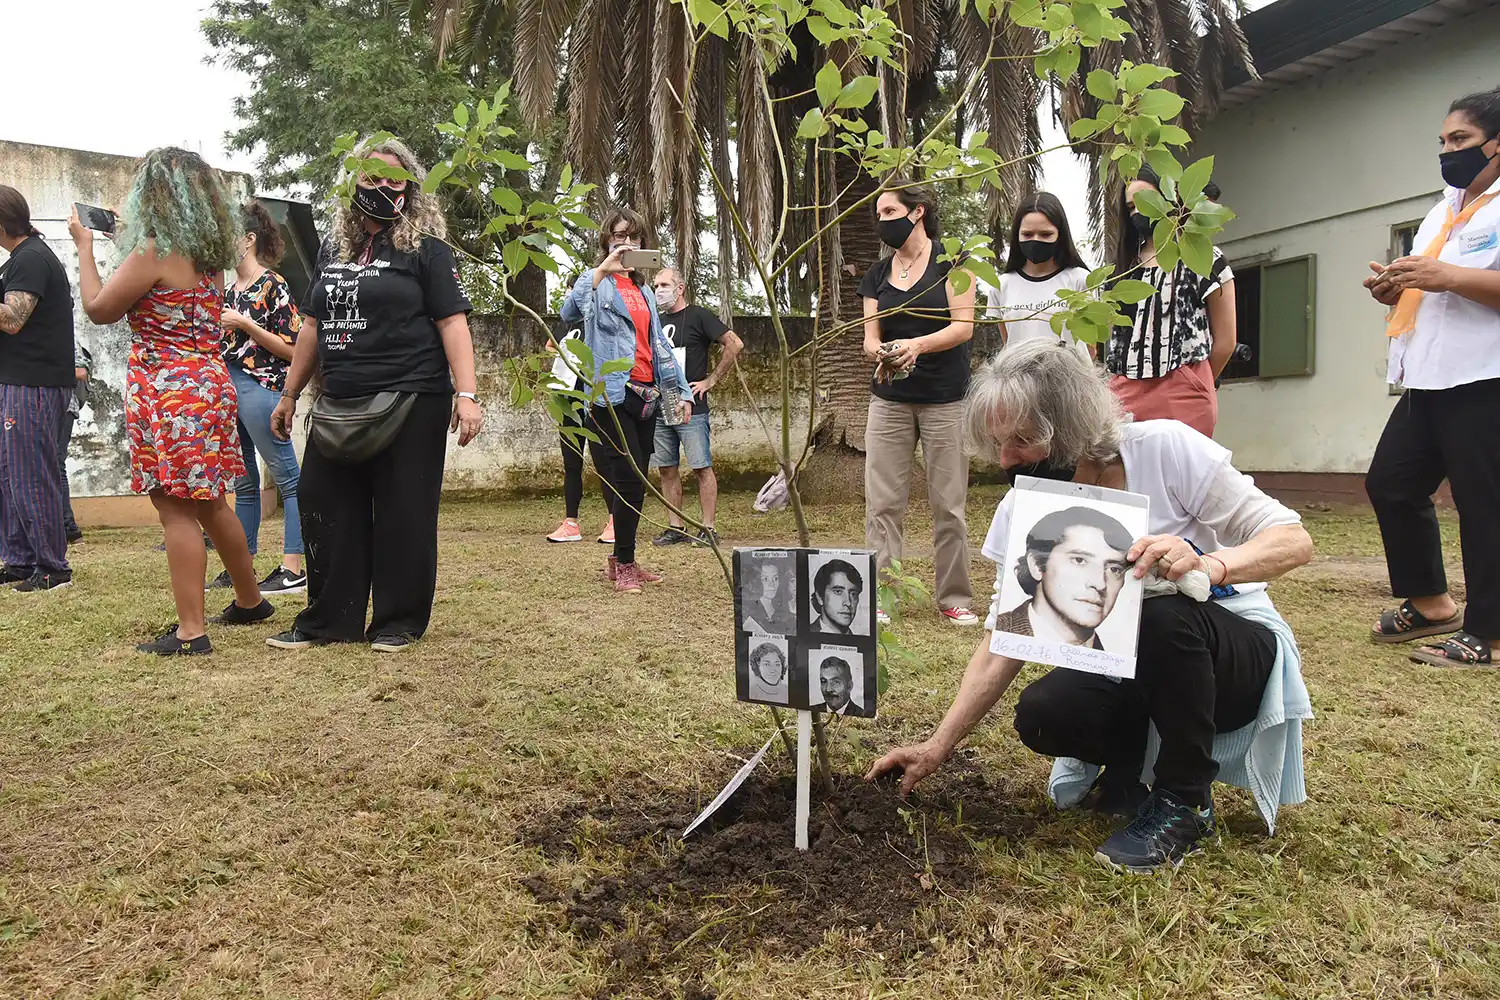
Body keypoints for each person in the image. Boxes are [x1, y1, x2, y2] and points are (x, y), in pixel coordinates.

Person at [867, 340, 1315, 872]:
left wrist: (1208, 564)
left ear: (1073, 428)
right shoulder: (1023, 507)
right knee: (1045, 712)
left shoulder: (1167, 450)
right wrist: (936, 746)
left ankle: (1184, 801)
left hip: (1231, 660)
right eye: (998, 443)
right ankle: (1131, 772)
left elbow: (1293, 539)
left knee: (1162, 612)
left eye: (1022, 440)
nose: (1007, 459)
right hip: (1137, 666)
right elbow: (1005, 634)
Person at [264, 136, 483, 652]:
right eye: (371, 178)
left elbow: (452, 321)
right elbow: (312, 324)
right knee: (325, 505)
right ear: (352, 183)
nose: (384, 188)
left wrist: (467, 393)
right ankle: (328, 621)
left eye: (394, 180)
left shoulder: (428, 249)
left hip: (413, 397)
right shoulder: (331, 249)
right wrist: (290, 394)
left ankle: (397, 621)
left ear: (410, 187)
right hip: (339, 400)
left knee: (404, 511)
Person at [70, 149, 272, 651]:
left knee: (175, 507)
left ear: (152, 195)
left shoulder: (155, 251)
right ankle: (250, 599)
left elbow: (99, 309)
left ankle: (191, 632)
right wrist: (126, 242)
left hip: (169, 390)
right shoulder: (209, 259)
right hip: (208, 381)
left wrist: (86, 248)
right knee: (208, 501)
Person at [1364, 86, 1500, 668]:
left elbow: (1452, 280)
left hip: (1486, 375)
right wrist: (1392, 287)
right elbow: (1429, 283)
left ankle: (1491, 633)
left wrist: (1447, 275)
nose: (1447, 151)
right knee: (1391, 483)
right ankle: (1432, 602)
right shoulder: (1439, 211)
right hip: (1427, 375)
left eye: (1461, 140)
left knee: (1484, 503)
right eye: (1443, 141)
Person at [860, 182, 979, 627]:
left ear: (918, 212)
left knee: (948, 505)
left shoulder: (956, 262)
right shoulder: (876, 275)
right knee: (882, 502)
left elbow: (963, 326)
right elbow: (869, 339)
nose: (882, 219)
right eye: (879, 212)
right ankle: (881, 598)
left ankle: (954, 597)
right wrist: (884, 352)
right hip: (889, 401)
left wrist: (918, 345)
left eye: (889, 210)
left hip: (945, 401)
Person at [560, 208, 693, 594]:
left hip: (646, 395)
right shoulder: (597, 285)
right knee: (629, 478)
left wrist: (679, 391)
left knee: (637, 477)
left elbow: (660, 348)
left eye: (633, 238)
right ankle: (624, 561)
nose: (627, 244)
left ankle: (623, 560)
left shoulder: (645, 292)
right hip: (610, 395)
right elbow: (569, 312)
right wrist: (602, 269)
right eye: (619, 237)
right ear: (606, 242)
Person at [207, 200, 306, 595]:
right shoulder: (228, 290)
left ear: (248, 240)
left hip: (262, 388)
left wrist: (246, 324)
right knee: (244, 484)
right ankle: (240, 568)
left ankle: (293, 567)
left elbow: (298, 348)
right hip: (231, 390)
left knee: (290, 480)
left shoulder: (273, 285)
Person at [1106, 167, 1237, 438]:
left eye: (1146, 201)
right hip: (1124, 396)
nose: (1138, 212)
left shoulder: (1204, 257)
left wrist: (1196, 382)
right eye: (1131, 207)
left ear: (1169, 199)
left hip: (1185, 391)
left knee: (1184, 478)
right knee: (1128, 478)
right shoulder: (1120, 269)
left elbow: (1226, 341)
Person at [0, 185, 76, 592]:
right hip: (17, 380)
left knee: (32, 474)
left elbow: (13, 318)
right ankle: (19, 560)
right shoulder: (18, 259)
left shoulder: (30, 258)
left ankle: (52, 567)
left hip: (35, 383)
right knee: (9, 473)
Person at [648, 267, 743, 547]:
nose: (658, 290)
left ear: (680, 288)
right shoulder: (656, 320)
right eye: (655, 286)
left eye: (664, 284)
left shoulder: (699, 315)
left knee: (701, 467)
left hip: (693, 408)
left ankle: (708, 528)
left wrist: (710, 380)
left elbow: (734, 344)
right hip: (660, 405)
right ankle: (674, 526)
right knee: (666, 468)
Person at [993, 506, 1133, 649]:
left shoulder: (1121, 654)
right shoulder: (1002, 632)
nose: (1100, 584)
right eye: (1079, 560)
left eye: (1114, 569)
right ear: (1036, 564)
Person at [985, 192, 1093, 356]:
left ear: (1060, 235)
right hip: (1020, 379)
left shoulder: (1081, 280)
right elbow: (1008, 343)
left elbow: (1090, 346)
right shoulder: (1001, 286)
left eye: (1046, 234)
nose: (1036, 240)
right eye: (1027, 234)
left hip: (1072, 379)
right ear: (1017, 235)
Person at [544, 322, 614, 543]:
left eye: (573, 289)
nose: (570, 295)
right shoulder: (567, 324)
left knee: (604, 463)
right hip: (567, 402)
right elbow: (549, 346)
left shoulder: (601, 321)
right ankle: (571, 523)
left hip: (594, 402)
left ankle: (614, 521)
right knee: (571, 464)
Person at [60, 341, 93, 544]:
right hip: (41, 403)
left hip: (63, 404)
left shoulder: (65, 333)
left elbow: (81, 372)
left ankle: (68, 527)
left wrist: (39, 373)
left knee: (55, 462)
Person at [809, 558, 863, 635]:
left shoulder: (862, 642)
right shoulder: (801, 635)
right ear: (820, 597)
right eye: (838, 591)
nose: (848, 602)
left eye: (853, 594)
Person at [743, 556, 795, 634]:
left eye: (775, 578)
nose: (772, 585)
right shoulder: (748, 611)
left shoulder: (783, 610)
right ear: (756, 581)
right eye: (765, 579)